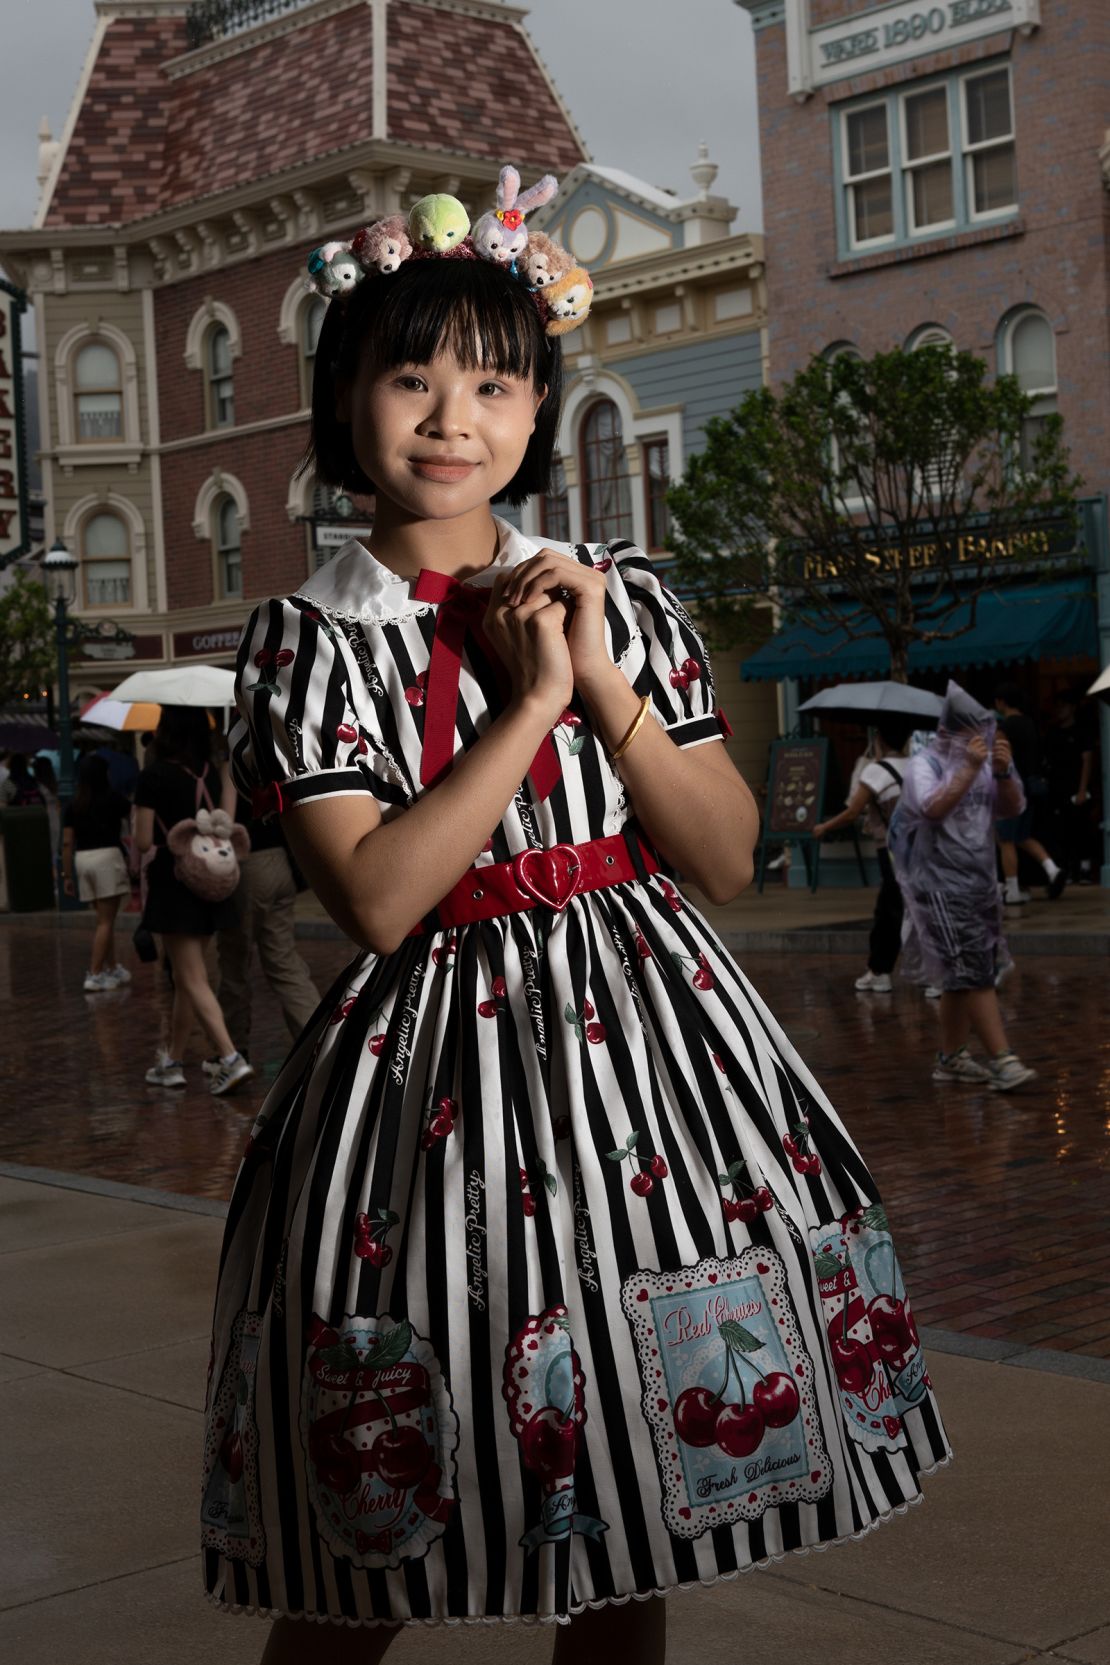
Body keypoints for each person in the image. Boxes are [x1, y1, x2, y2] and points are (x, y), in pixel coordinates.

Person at [201, 179, 950, 1662]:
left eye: (491, 381)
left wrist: (595, 674)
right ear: (343, 397)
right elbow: (380, 894)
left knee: (634, 1495)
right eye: (409, 377)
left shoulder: (623, 599)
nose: (448, 417)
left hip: (646, 1066)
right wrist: (530, 697)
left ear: (538, 403)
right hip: (425, 1088)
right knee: (379, 1519)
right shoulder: (311, 637)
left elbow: (724, 855)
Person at [889, 681, 1035, 1091]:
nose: (982, 740)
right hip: (938, 888)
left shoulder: (986, 764)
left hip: (981, 885)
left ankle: (951, 1057)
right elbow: (931, 808)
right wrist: (970, 769)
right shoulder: (925, 765)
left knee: (962, 973)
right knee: (974, 973)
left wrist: (1004, 772)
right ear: (949, 732)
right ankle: (1003, 1060)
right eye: (974, 732)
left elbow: (1013, 808)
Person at [132, 705, 254, 1095]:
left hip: (175, 880)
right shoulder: (216, 773)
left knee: (190, 977)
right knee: (190, 978)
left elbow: (142, 840)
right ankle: (172, 1061)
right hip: (212, 883)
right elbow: (227, 824)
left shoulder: (153, 776)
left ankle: (229, 1057)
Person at [209, 790, 322, 1068]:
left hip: (248, 863)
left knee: (234, 963)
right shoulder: (267, 754)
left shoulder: (229, 762)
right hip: (279, 861)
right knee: (283, 961)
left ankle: (233, 1051)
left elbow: (225, 820)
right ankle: (322, 1044)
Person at [813, 717, 911, 992]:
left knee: (889, 910)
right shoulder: (919, 765)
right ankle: (933, 974)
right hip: (922, 849)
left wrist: (824, 827)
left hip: (890, 850)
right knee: (919, 908)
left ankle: (880, 971)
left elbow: (853, 811)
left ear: (879, 738)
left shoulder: (876, 772)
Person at [61, 754, 133, 991]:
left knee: (104, 920)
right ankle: (94, 973)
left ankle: (112, 968)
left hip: (83, 860)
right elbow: (134, 815)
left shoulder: (74, 804)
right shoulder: (113, 799)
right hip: (107, 858)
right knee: (105, 921)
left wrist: (67, 874)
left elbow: (67, 843)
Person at [992, 682, 1064, 903]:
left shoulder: (1005, 728)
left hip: (1011, 789)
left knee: (1005, 839)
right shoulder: (1030, 724)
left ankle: (1012, 890)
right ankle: (1051, 868)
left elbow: (1002, 760)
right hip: (1031, 787)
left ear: (1002, 702)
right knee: (1022, 836)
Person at [1044, 688, 1099, 883]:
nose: (1060, 710)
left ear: (1073, 708)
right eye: (1057, 706)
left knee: (1081, 828)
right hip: (1058, 788)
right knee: (1062, 830)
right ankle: (1067, 868)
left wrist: (1083, 789)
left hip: (1077, 789)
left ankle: (1084, 868)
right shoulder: (1053, 733)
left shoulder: (1082, 732)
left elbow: (1087, 760)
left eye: (1064, 706)